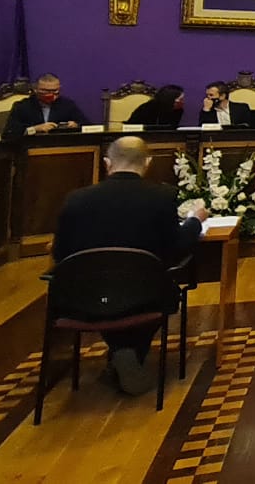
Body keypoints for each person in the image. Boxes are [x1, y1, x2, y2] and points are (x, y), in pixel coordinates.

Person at [51, 137, 208, 396]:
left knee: (114, 294)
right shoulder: (161, 197)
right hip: (145, 295)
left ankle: (121, 349)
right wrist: (195, 221)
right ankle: (129, 350)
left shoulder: (75, 199)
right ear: (147, 163)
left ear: (106, 163)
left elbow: (60, 254)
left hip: (82, 297)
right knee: (150, 287)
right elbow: (176, 247)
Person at [7, 74, 92, 135]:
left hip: (61, 147)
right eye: (46, 91)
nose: (51, 95)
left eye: (55, 91)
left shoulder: (67, 105)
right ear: (35, 89)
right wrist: (35, 129)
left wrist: (76, 125)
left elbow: (88, 125)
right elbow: (9, 132)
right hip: (31, 147)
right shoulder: (22, 106)